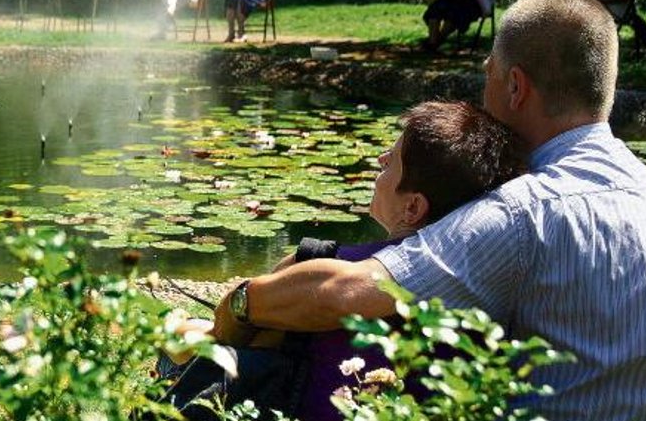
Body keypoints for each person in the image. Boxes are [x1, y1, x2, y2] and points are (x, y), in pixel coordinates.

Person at [212, 0, 646, 421]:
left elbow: (345, 293)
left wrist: (239, 303)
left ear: (515, 87)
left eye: (488, 75)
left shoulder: (522, 213)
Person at [157, 101, 527, 421]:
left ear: (412, 207)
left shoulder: (322, 264)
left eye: (393, 160)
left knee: (183, 339)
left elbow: (234, 334)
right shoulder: (487, 291)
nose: (381, 158)